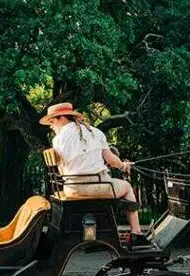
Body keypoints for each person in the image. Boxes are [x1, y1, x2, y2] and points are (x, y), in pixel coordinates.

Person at [40, 102, 152, 249]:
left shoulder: (58, 140)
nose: (50, 126)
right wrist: (124, 166)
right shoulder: (95, 132)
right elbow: (112, 160)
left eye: (52, 121)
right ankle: (137, 233)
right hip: (97, 185)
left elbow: (63, 171)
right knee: (127, 187)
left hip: (72, 188)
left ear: (62, 119)